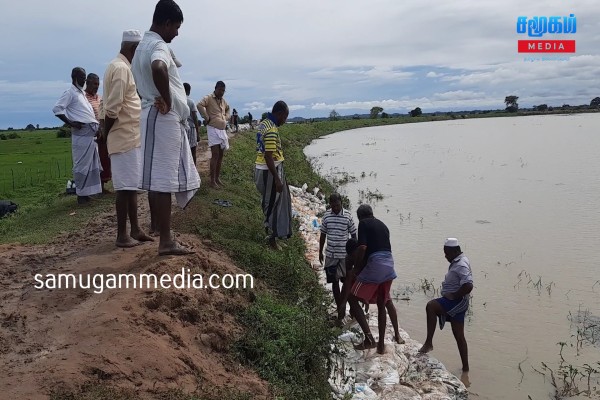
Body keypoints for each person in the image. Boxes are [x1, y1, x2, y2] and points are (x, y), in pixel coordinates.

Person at [132, 0, 200, 256]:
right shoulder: (158, 45)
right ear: (165, 22)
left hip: (151, 112)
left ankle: (162, 232)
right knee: (164, 180)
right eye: (176, 27)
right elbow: (159, 67)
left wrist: (153, 96)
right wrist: (169, 100)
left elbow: (143, 79)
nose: (177, 33)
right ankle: (167, 241)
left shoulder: (140, 48)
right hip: (164, 117)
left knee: (158, 179)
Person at [103, 30, 154, 248]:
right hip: (123, 137)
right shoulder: (121, 69)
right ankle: (122, 235)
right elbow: (112, 109)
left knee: (131, 186)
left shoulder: (121, 67)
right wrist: (107, 136)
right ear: (133, 49)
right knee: (124, 188)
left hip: (129, 137)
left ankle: (135, 229)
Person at [343, 204, 402, 354]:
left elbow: (362, 248)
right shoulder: (383, 225)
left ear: (360, 217)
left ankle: (369, 339)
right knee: (383, 303)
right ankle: (381, 346)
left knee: (351, 296)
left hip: (376, 264)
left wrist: (356, 268)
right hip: (389, 265)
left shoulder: (363, 223)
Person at [418, 238, 473, 372]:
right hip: (457, 301)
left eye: (447, 253)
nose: (445, 256)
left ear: (455, 251)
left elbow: (468, 285)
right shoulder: (458, 261)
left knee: (431, 306)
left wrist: (454, 295)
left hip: (457, 301)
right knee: (459, 335)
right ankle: (466, 368)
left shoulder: (461, 264)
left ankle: (428, 343)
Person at [53, 67, 102, 205]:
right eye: (82, 77)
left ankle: (87, 194)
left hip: (90, 133)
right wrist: (71, 123)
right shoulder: (70, 93)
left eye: (85, 77)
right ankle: (81, 196)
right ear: (75, 77)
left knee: (91, 165)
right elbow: (57, 109)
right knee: (81, 165)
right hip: (81, 134)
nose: (84, 80)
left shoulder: (81, 93)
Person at [254, 101, 292, 249]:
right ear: (280, 113)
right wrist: (277, 179)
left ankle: (275, 235)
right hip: (269, 172)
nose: (285, 120)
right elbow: (268, 156)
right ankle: (270, 239)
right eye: (285, 116)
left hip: (266, 170)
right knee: (271, 205)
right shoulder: (271, 130)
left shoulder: (265, 123)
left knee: (275, 204)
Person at [319, 193, 357, 318]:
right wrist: (320, 251)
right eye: (333, 205)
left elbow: (353, 235)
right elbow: (323, 235)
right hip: (330, 254)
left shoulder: (347, 216)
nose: (335, 208)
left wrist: (354, 254)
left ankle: (346, 307)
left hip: (344, 256)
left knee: (345, 281)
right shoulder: (326, 216)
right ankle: (340, 307)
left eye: (337, 205)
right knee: (334, 282)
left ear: (341, 203)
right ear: (330, 205)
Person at [196, 81, 230, 188]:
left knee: (220, 155)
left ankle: (217, 178)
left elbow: (228, 109)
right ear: (215, 88)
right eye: (220, 90)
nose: (222, 92)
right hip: (213, 129)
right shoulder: (209, 98)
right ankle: (212, 181)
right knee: (215, 154)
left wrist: (226, 117)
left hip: (222, 129)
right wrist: (206, 117)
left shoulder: (223, 101)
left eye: (223, 91)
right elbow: (199, 105)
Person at [84, 73, 111, 193]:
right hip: (91, 135)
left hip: (102, 133)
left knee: (104, 160)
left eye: (98, 84)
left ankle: (102, 186)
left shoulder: (99, 98)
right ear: (87, 82)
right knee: (93, 162)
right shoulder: (83, 98)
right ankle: (94, 188)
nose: (96, 86)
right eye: (94, 84)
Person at [183, 83, 201, 165]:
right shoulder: (191, 102)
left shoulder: (179, 100)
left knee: (183, 151)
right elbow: (195, 118)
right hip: (191, 128)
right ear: (189, 91)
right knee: (193, 151)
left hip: (182, 128)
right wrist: (198, 133)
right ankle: (194, 170)